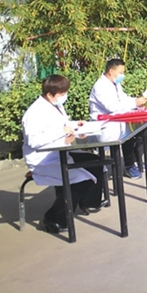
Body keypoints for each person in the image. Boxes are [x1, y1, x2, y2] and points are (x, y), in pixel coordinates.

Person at [22, 75, 104, 234]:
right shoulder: (34, 113)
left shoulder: (55, 105)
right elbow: (34, 141)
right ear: (49, 94)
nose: (64, 96)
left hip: (60, 151)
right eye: (62, 94)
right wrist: (62, 133)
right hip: (42, 160)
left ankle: (87, 202)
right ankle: (54, 218)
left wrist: (77, 126)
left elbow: (63, 124)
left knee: (95, 162)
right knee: (77, 178)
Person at [89, 58, 147, 179]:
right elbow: (112, 107)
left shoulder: (115, 84)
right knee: (129, 136)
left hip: (118, 121)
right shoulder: (100, 86)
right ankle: (129, 166)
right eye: (121, 73)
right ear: (111, 71)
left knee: (142, 130)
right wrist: (134, 103)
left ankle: (136, 161)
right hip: (106, 126)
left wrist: (136, 101)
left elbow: (123, 98)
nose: (122, 75)